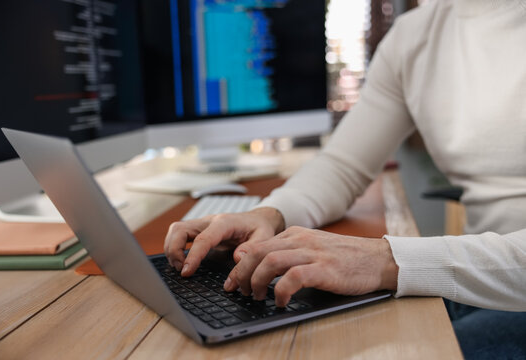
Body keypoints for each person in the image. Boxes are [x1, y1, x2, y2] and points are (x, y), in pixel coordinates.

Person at [164, 0, 526, 358]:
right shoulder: (417, 35)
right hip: (480, 281)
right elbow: (344, 165)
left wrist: (386, 260)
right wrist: (269, 215)